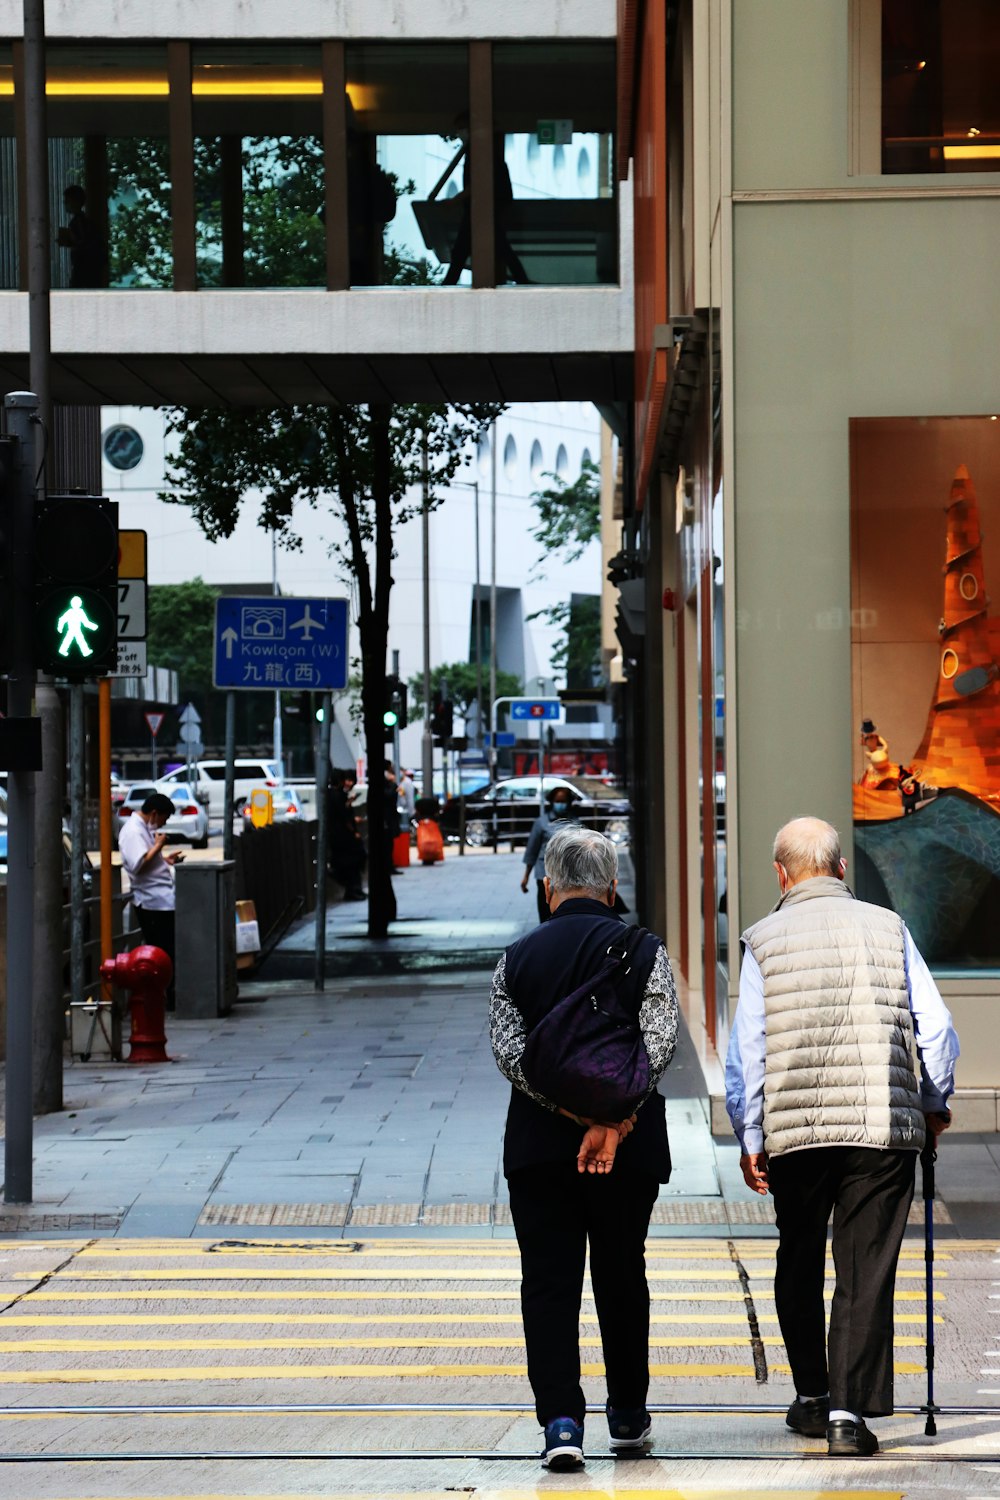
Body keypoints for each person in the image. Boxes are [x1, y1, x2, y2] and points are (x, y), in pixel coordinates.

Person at [725, 816, 959, 1457]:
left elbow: (748, 1050)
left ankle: (810, 1396)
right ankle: (847, 1418)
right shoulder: (891, 927)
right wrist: (933, 1105)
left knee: (798, 1254)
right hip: (883, 1126)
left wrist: (751, 1134)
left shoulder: (762, 940)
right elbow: (935, 1030)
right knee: (864, 1267)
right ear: (840, 869)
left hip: (796, 1133)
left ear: (781, 873)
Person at [491, 826, 679, 1470]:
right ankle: (627, 1413)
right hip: (626, 1153)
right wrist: (616, 1118)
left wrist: (570, 1111)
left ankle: (562, 1425)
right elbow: (660, 1044)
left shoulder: (514, 957)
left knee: (548, 1281)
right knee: (622, 1274)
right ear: (612, 885)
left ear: (548, 889)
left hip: (540, 1151)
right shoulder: (645, 951)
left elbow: (509, 1054)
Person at [117, 792, 182, 1006]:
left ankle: (167, 995)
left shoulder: (142, 829)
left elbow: (148, 859)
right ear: (154, 813)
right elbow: (139, 864)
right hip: (152, 901)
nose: (164, 823)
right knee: (164, 951)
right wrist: (158, 846)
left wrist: (164, 859)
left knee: (169, 949)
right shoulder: (133, 831)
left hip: (161, 900)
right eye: (164, 818)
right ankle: (164, 997)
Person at [520, 786, 576, 923]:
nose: (560, 804)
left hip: (568, 875)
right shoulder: (541, 823)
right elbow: (532, 851)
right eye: (558, 801)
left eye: (563, 801)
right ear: (552, 802)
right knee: (546, 913)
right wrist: (526, 876)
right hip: (545, 874)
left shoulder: (575, 822)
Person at [56, 184, 107, 289]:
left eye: (67, 201)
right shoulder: (83, 221)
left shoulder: (78, 221)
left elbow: (82, 242)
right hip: (86, 267)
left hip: (83, 266)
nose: (65, 204)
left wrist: (69, 240)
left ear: (76, 202)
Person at [327, 768, 366, 901]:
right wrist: (354, 832)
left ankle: (353, 889)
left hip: (336, 835)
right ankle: (353, 889)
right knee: (352, 863)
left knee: (347, 863)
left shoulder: (329, 794)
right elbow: (344, 817)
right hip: (344, 836)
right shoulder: (339, 796)